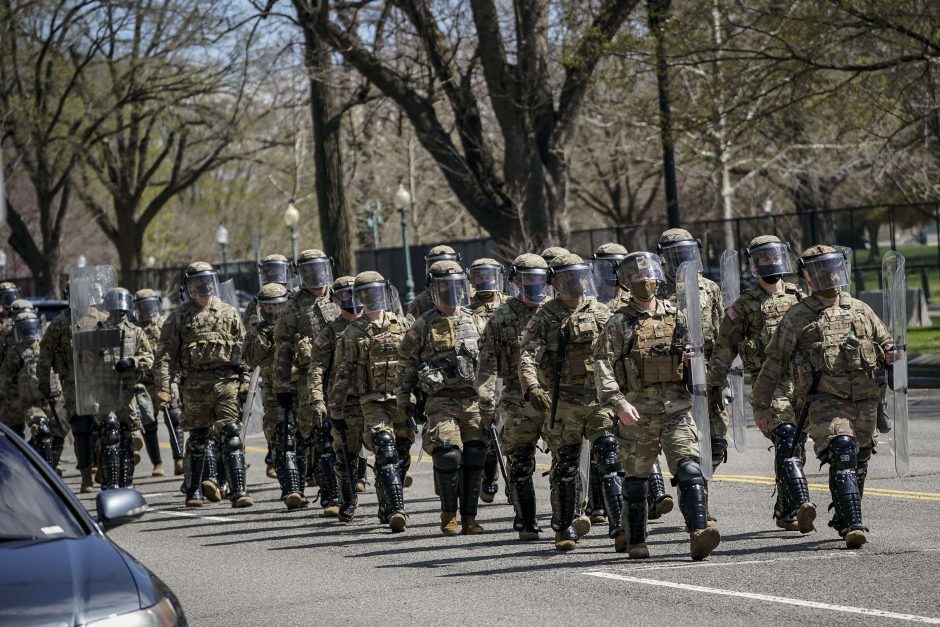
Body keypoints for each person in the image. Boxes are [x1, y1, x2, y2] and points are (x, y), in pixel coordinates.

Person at [752, 245, 895, 549]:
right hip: (825, 401)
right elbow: (774, 362)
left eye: (830, 268)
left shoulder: (859, 309)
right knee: (842, 451)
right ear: (807, 277)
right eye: (817, 270)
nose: (826, 275)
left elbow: (885, 341)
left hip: (865, 400)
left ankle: (844, 516)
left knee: (859, 459)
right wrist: (761, 404)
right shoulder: (798, 317)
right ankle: (853, 526)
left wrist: (892, 353)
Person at [595, 252, 721, 560]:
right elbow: (602, 366)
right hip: (638, 414)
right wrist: (619, 404)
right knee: (636, 482)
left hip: (677, 409)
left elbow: (695, 353)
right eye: (637, 278)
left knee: (690, 470)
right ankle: (636, 540)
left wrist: (694, 362)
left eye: (648, 276)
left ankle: (699, 531)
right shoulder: (619, 323)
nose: (645, 282)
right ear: (627, 283)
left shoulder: (676, 316)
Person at [708, 236, 813, 532]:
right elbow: (724, 349)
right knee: (787, 437)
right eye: (763, 259)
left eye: (774, 257)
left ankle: (786, 509)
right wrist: (712, 387)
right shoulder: (743, 307)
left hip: (801, 382)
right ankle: (803, 502)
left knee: (796, 447)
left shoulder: (799, 297)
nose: (770, 263)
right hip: (769, 384)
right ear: (754, 265)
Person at [519, 253, 617, 552]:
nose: (575, 285)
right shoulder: (546, 316)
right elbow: (527, 354)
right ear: (555, 284)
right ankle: (564, 528)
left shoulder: (602, 312)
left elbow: (621, 350)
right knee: (567, 466)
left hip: (599, 400)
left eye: (579, 278)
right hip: (564, 402)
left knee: (610, 459)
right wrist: (533, 386)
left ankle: (621, 525)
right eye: (567, 279)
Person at [396, 260, 487, 536]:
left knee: (475, 453)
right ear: (433, 290)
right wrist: (404, 398)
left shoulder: (477, 319)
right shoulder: (422, 325)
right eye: (443, 286)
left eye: (455, 285)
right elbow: (406, 363)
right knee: (448, 456)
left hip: (472, 399)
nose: (450, 291)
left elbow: (491, 360)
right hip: (440, 400)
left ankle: (469, 517)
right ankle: (449, 516)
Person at [155, 262, 253, 508]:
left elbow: (245, 351)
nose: (204, 286)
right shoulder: (178, 317)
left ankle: (238, 490)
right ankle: (193, 491)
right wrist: (164, 387)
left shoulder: (229, 313)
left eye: (208, 281)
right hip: (195, 385)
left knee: (231, 434)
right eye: (198, 282)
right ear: (188, 286)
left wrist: (246, 380)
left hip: (226, 383)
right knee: (199, 439)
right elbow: (164, 356)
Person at [329, 271, 411, 530]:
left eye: (375, 292)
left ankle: (386, 505)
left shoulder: (402, 325)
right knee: (384, 448)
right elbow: (342, 373)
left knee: (401, 454)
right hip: (372, 401)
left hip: (400, 399)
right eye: (365, 294)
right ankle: (398, 510)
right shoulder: (353, 332)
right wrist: (336, 412)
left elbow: (414, 362)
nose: (372, 298)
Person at [476, 253, 550, 540]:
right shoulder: (501, 317)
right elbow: (487, 363)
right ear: (516, 282)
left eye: (538, 278)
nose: (533, 284)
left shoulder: (555, 312)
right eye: (527, 279)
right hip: (518, 398)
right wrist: (486, 399)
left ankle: (568, 516)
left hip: (556, 396)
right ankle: (526, 519)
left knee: (567, 456)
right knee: (520, 459)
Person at [273, 249, 340, 501]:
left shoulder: (341, 297)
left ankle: (351, 483)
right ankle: (326, 494)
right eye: (307, 270)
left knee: (343, 432)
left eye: (318, 268)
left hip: (341, 375)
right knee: (317, 433)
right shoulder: (294, 307)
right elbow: (283, 348)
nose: (314, 274)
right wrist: (281, 387)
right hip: (307, 378)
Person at [657, 228, 727, 472]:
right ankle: (697, 504)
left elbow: (722, 332)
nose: (681, 259)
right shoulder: (656, 290)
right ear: (664, 257)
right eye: (674, 255)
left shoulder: (709, 288)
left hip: (708, 371)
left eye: (686, 253)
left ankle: (702, 493)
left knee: (716, 445)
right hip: (674, 372)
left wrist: (722, 369)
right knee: (688, 446)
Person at [39, 283, 105, 493]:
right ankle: (86, 477)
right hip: (73, 384)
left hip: (100, 384)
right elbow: (45, 353)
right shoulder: (60, 323)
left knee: (106, 427)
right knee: (81, 429)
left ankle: (103, 466)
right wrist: (43, 382)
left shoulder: (102, 319)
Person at [307, 276, 361, 515]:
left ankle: (391, 506)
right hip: (343, 401)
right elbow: (316, 368)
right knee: (343, 454)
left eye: (355, 294)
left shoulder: (376, 324)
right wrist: (318, 399)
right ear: (336, 300)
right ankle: (345, 502)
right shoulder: (330, 332)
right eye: (344, 296)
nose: (351, 300)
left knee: (388, 448)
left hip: (375, 398)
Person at [93, 288, 154, 490]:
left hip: (128, 392)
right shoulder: (98, 331)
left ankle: (126, 482)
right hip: (105, 392)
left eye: (121, 304)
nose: (118, 309)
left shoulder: (135, 331)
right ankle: (110, 483)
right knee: (110, 434)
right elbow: (84, 361)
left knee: (127, 437)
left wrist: (132, 361)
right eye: (114, 304)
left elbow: (149, 358)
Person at [244, 283, 297, 500]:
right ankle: (290, 489)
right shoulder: (257, 331)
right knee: (282, 435)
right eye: (269, 307)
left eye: (278, 307)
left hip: (298, 386)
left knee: (306, 437)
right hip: (273, 389)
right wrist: (264, 339)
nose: (274, 311)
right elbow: (249, 359)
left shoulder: (295, 326)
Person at [468, 257, 508, 504]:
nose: (485, 280)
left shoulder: (511, 307)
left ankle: (516, 483)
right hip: (483, 376)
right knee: (488, 432)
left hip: (510, 377)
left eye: (489, 275)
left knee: (514, 433)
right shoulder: (467, 312)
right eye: (479, 276)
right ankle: (489, 476)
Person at [133, 289, 178, 476]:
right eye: (142, 306)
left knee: (174, 416)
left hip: (167, 378)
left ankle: (179, 459)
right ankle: (157, 463)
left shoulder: (166, 323)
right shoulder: (135, 328)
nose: (147, 310)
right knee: (148, 422)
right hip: (145, 381)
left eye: (149, 305)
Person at [407, 245, 462, 319]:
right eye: (437, 265)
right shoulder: (420, 302)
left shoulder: (470, 294)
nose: (444, 268)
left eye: (448, 264)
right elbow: (413, 327)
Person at [243, 254, 291, 325]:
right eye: (267, 271)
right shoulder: (257, 300)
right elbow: (246, 325)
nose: (270, 274)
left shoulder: (293, 297)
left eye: (275, 270)